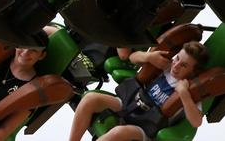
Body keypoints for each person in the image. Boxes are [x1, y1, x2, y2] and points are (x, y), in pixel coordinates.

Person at [68, 41, 209, 141]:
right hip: (130, 103)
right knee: (90, 98)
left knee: (119, 132)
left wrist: (184, 94)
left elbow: (196, 122)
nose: (176, 65)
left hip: (147, 127)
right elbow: (131, 57)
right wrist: (148, 57)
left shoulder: (188, 88)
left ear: (192, 72)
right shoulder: (165, 65)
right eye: (177, 58)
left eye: (183, 65)